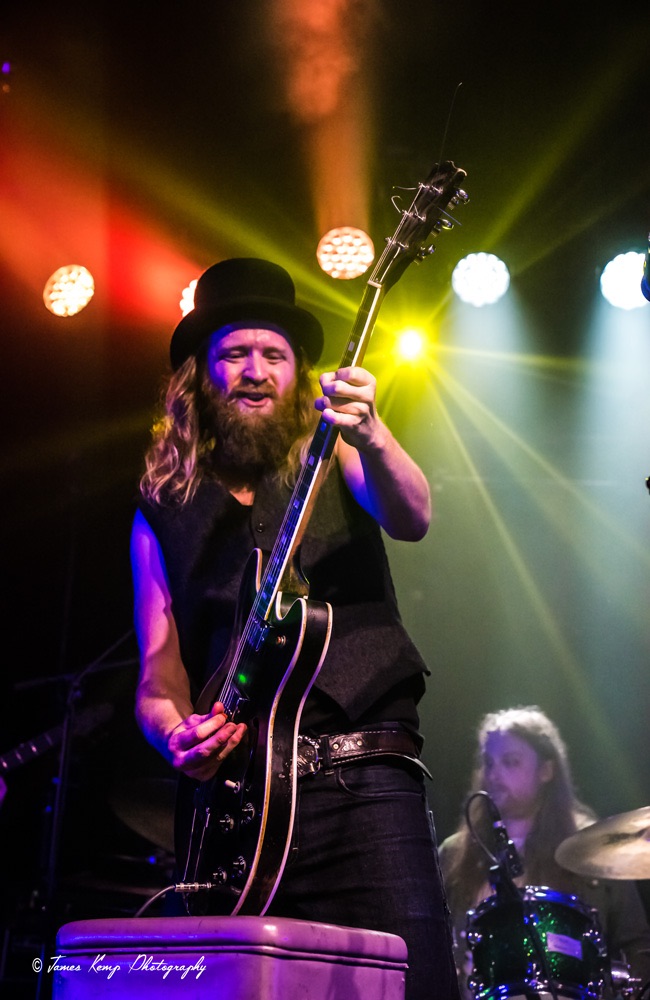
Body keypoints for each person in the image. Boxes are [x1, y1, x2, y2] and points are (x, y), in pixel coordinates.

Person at [130, 257, 460, 1000]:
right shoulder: (161, 505)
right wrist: (174, 734)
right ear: (199, 375)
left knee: (415, 985)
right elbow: (158, 673)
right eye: (234, 354)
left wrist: (373, 434)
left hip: (361, 785)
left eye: (272, 355)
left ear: (297, 371)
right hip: (235, 811)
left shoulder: (334, 450)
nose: (255, 372)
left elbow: (413, 517)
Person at [438, 705, 650, 997]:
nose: (494, 774)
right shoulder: (453, 854)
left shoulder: (594, 849)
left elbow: (637, 947)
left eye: (511, 762)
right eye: (489, 762)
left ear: (546, 770)